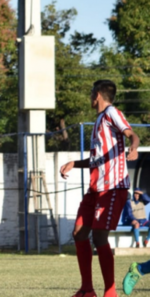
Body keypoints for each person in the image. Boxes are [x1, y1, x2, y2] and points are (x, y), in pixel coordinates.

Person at [60, 79, 140, 297]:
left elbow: (132, 134)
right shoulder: (98, 121)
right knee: (79, 232)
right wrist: (75, 163)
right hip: (96, 189)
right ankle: (87, 290)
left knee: (99, 236)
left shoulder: (112, 113)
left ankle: (110, 292)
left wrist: (133, 147)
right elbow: (97, 159)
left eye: (91, 93)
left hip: (112, 188)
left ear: (97, 94)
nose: (89, 97)